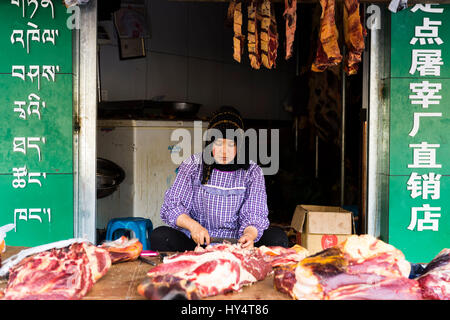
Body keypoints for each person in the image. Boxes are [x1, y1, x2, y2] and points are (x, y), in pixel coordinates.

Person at [150, 106, 288, 252]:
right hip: (197, 243)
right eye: (218, 143)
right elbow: (173, 206)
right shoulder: (193, 165)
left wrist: (249, 235)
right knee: (160, 235)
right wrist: (193, 227)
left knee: (277, 238)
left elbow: (255, 213)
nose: (224, 151)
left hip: (237, 244)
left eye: (231, 144)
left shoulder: (252, 171)